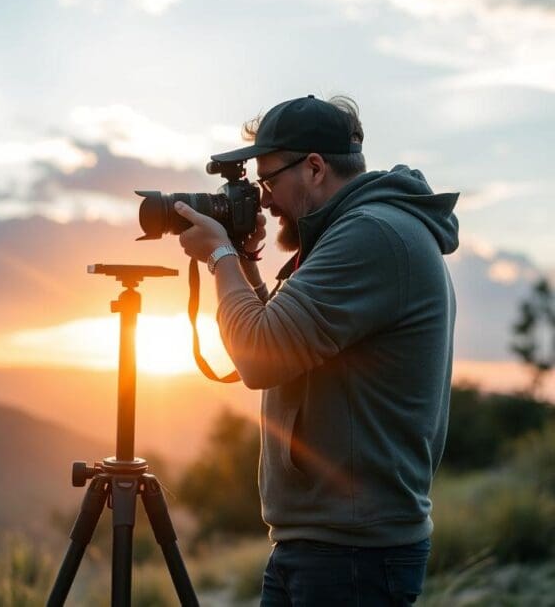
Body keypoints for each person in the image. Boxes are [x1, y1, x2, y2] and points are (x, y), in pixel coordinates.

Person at [174, 94, 459, 606]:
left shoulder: (370, 236)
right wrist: (243, 263)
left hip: (351, 555)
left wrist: (219, 257)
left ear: (314, 168)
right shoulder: (351, 233)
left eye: (268, 180)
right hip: (325, 544)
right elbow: (282, 343)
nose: (262, 200)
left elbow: (258, 357)